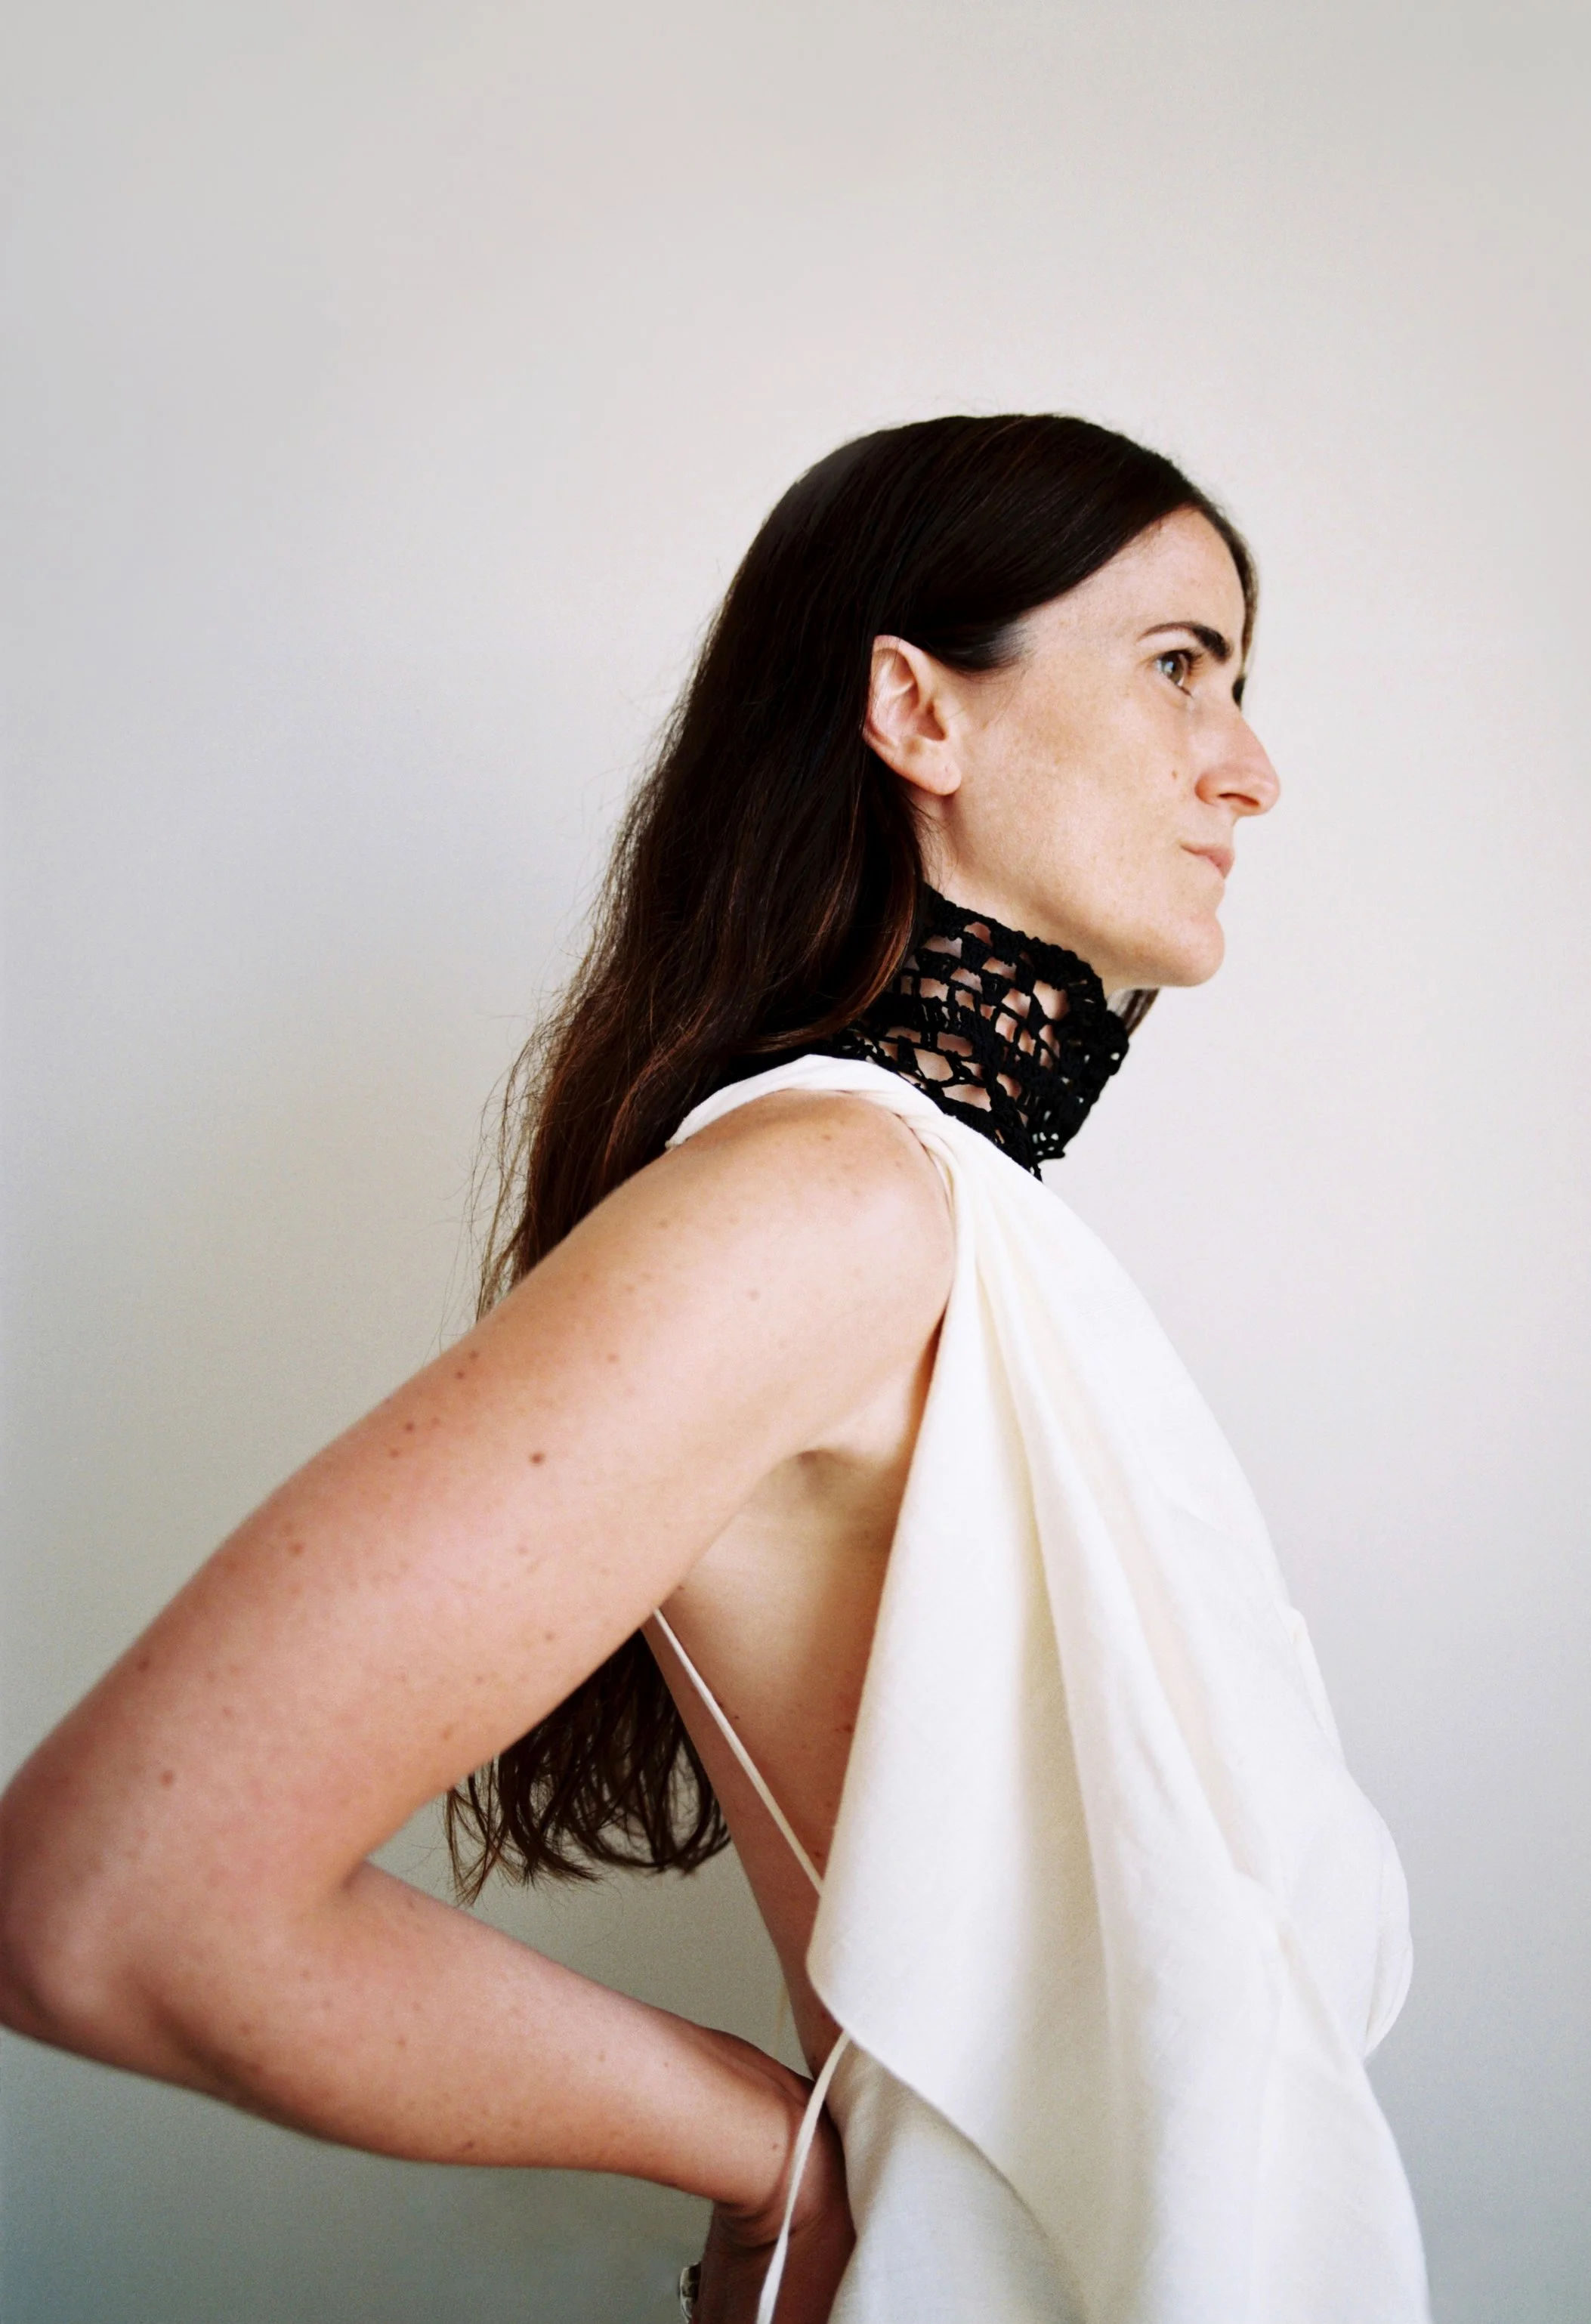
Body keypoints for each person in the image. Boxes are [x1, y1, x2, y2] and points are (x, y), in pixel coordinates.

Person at [0, 415, 1429, 2322]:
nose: (1246, 765)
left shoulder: (936, 1213)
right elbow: (115, 1895)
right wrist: (765, 2140)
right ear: (916, 711)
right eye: (1179, 664)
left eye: (1237, 685)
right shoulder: (827, 1201)